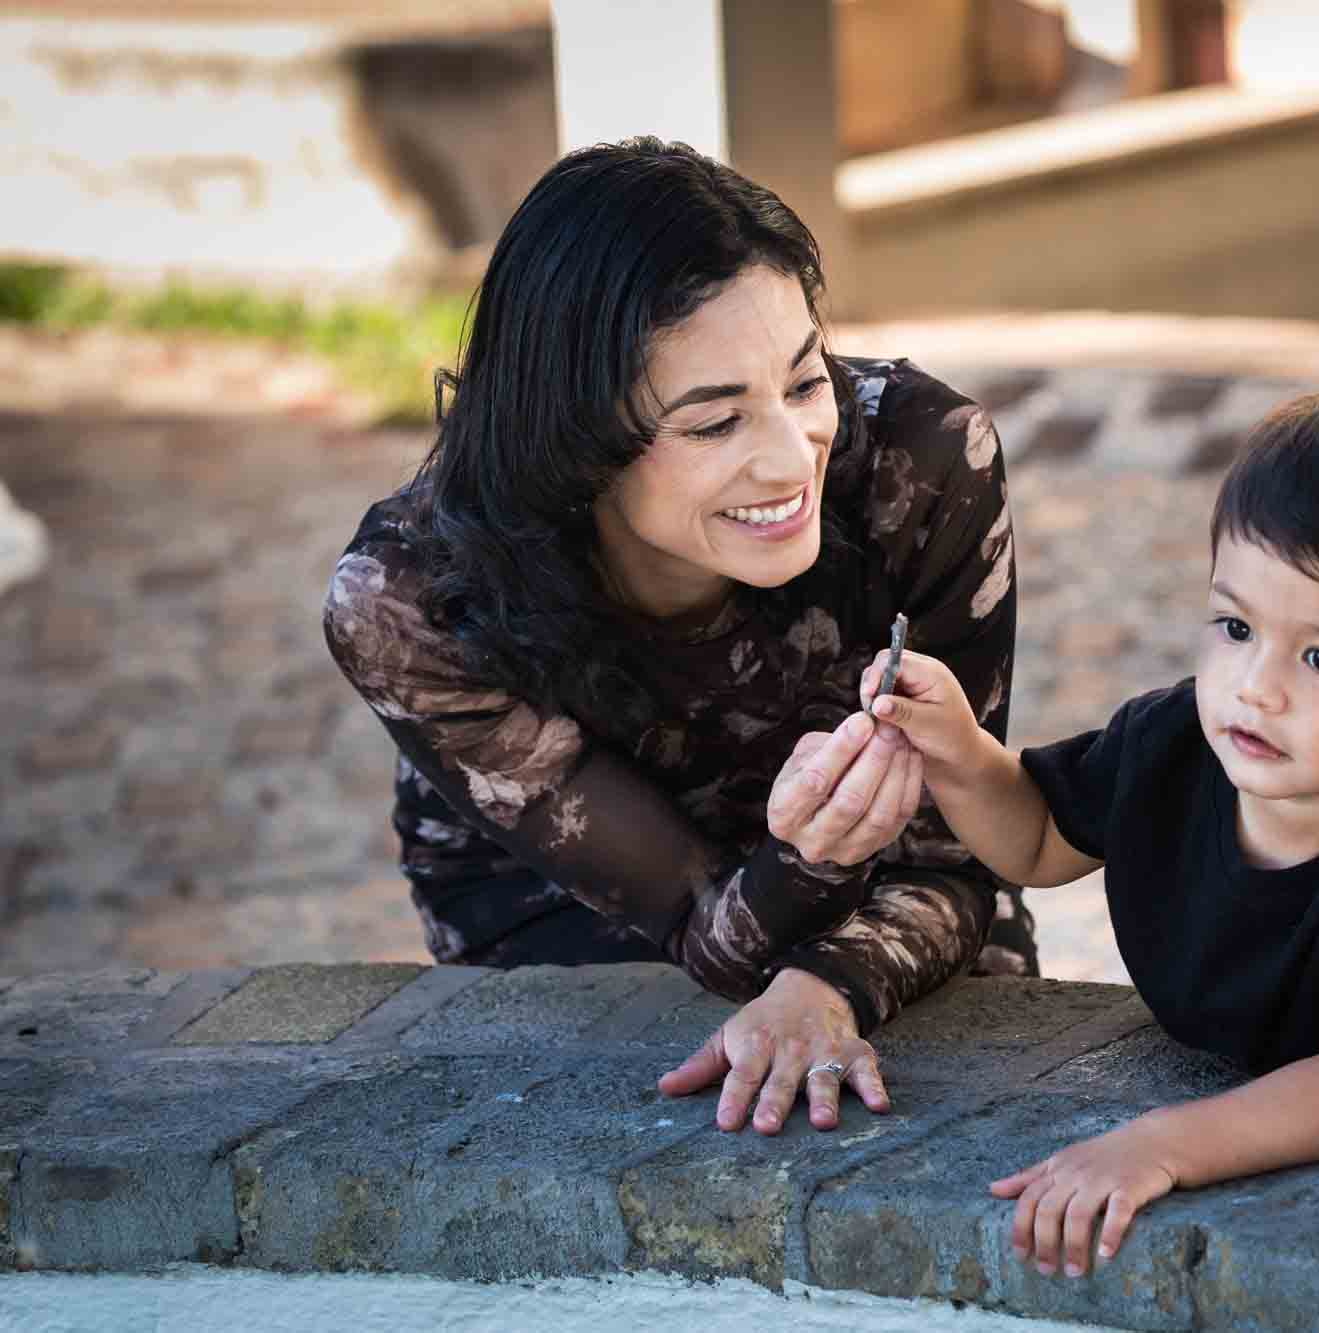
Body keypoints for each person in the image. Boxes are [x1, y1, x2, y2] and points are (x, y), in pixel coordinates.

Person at [323, 137, 1035, 1138]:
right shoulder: (414, 601)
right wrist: (805, 866)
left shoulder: (920, 467)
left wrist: (825, 985)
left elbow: (960, 858)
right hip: (577, 913)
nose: (794, 461)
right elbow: (698, 928)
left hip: (882, 892)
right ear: (574, 443)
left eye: (802, 381)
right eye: (713, 424)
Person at [863, 393, 1319, 1278]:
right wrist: (956, 747)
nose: (1256, 686)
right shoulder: (1170, 742)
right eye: (1236, 626)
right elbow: (1031, 836)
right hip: (1290, 1039)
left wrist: (1162, 1145)